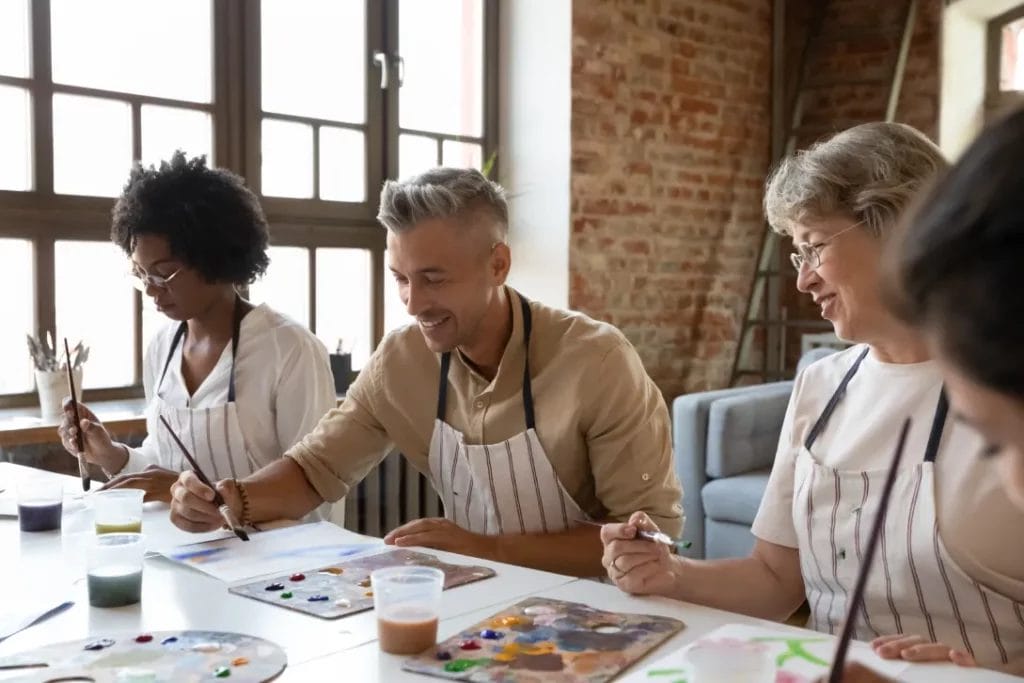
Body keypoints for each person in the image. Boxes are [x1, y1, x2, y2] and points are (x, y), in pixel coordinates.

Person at [600, 122, 1024, 671]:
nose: (803, 281)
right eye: (798, 255)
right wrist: (671, 573)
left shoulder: (1004, 389)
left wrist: (977, 676)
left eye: (814, 247)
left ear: (898, 229)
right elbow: (776, 581)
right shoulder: (823, 384)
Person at [167, 167, 683, 576]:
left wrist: (485, 549)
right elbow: (313, 470)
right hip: (480, 599)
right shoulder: (400, 361)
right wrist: (230, 497)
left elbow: (646, 536)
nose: (413, 304)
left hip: (601, 605)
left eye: (433, 279)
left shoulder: (596, 360)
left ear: (498, 265)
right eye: (401, 279)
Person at [58, 151, 335, 510]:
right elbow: (165, 466)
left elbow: (315, 492)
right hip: (181, 553)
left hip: (272, 560)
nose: (152, 289)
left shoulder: (289, 349)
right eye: (142, 275)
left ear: (215, 257)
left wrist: (191, 492)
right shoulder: (162, 347)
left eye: (163, 273)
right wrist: (110, 455)